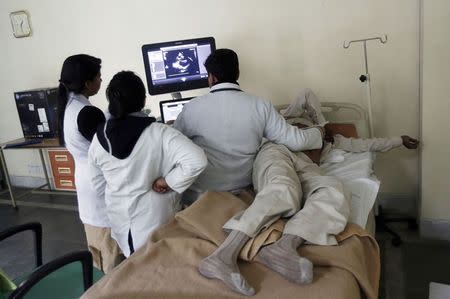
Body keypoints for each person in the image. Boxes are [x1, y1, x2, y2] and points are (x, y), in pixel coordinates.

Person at [200, 88, 419, 296]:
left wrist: (398, 140)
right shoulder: (284, 123)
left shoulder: (333, 140)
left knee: (333, 191)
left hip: (307, 165)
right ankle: (223, 256)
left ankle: (284, 247)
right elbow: (306, 93)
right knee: (283, 188)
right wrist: (321, 124)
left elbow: (368, 144)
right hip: (277, 152)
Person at [174, 48, 324, 204]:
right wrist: (320, 131)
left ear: (211, 78)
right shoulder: (260, 106)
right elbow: (297, 141)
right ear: (237, 73)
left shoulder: (192, 108)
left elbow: (171, 147)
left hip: (199, 198)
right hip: (242, 194)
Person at [88, 71, 207, 257]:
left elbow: (97, 185)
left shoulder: (98, 138)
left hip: (120, 221)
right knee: (157, 266)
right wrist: (167, 182)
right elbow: (197, 160)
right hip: (154, 219)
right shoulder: (160, 132)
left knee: (133, 262)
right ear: (143, 100)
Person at [57, 54, 123, 273]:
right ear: (87, 83)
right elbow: (111, 147)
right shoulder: (87, 113)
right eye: (99, 77)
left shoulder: (70, 106)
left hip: (86, 185)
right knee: (112, 254)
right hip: (99, 187)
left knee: (100, 251)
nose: (101, 80)